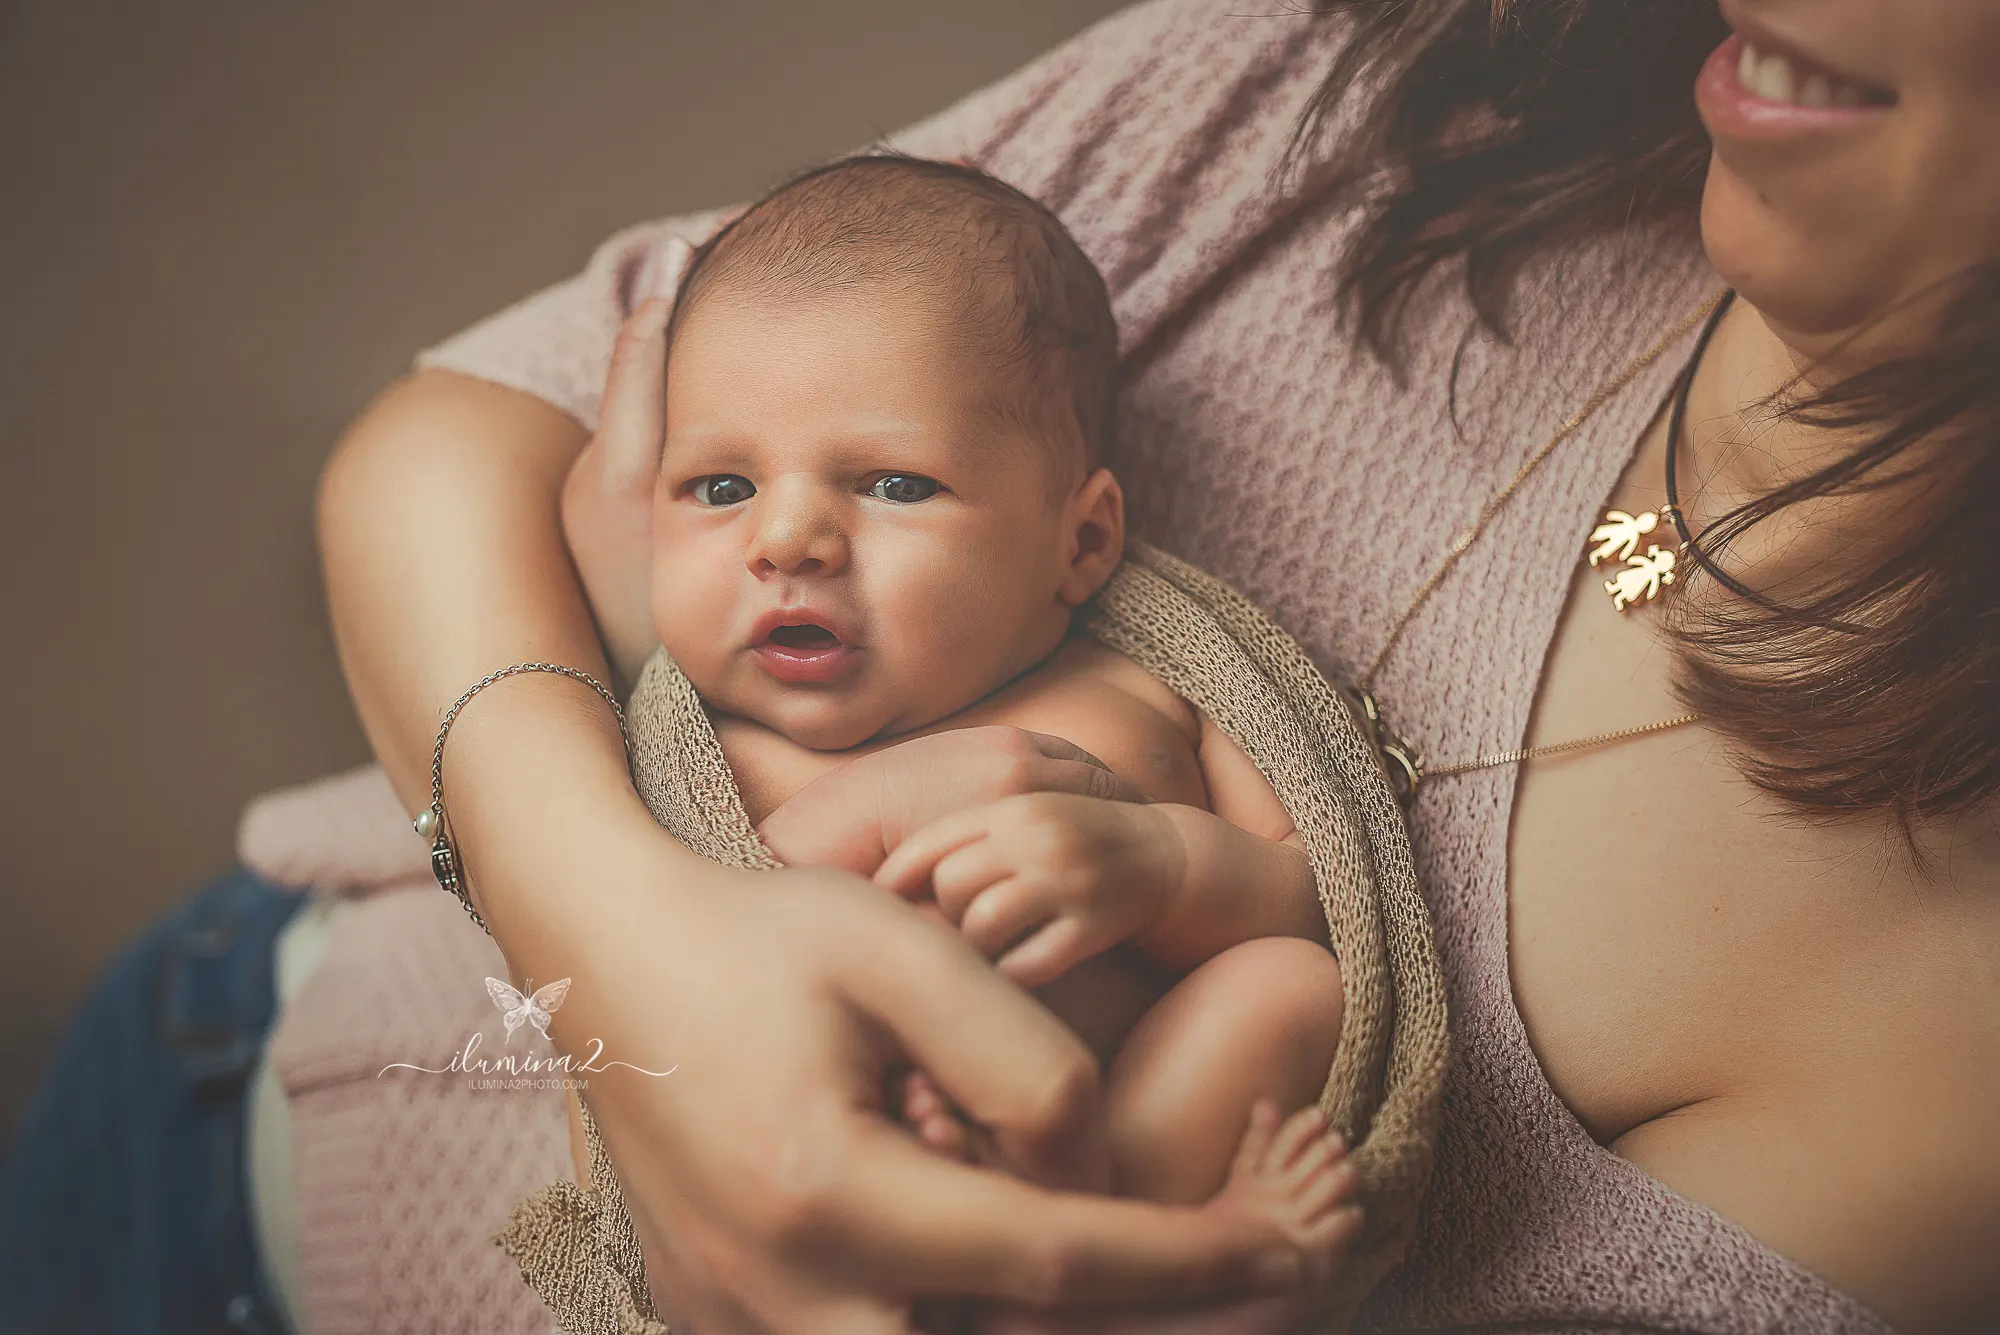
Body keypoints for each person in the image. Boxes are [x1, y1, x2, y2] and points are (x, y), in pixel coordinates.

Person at [14, 0, 1988, 1331]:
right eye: (722, 488)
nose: (782, 536)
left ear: (1089, 535)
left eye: (886, 480)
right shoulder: (1413, 86)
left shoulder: (1944, 1042)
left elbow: (1279, 936)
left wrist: (1135, 891)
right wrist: (623, 931)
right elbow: (450, 446)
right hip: (221, 1060)